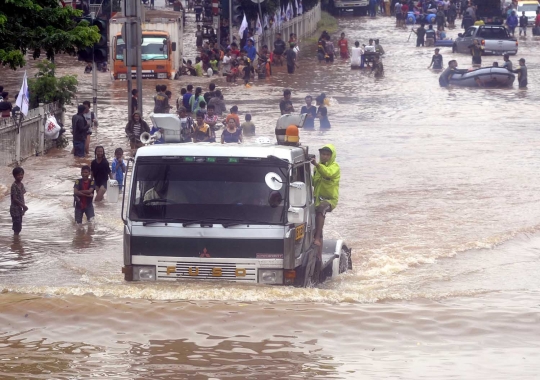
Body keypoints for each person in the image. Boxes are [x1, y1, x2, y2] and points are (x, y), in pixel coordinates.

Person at [310, 145, 340, 248]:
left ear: (332, 156)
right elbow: (313, 182)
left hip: (330, 200)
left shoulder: (335, 167)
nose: (325, 156)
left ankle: (317, 237)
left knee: (321, 208)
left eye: (327, 155)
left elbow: (328, 173)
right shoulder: (316, 168)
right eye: (323, 154)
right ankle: (317, 247)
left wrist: (317, 165)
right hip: (317, 199)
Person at [10, 167, 27, 235]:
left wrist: (23, 207)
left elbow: (22, 196)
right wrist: (23, 206)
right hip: (14, 209)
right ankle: (15, 241)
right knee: (17, 224)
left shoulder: (21, 184)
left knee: (19, 225)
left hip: (20, 208)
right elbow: (14, 199)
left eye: (22, 174)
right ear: (14, 176)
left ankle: (16, 238)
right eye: (19, 175)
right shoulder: (14, 186)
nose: (21, 176)